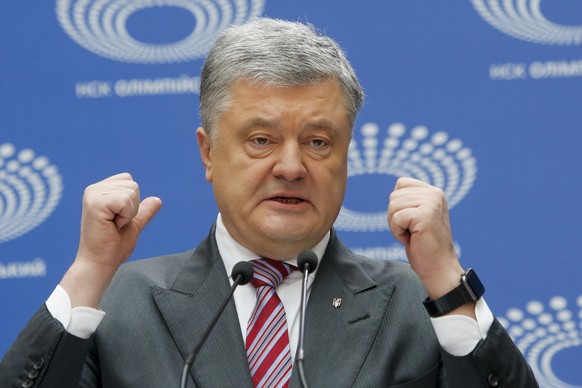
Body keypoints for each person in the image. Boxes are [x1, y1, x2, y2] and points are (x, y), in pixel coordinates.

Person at [0, 18, 537, 387]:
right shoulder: (120, 303)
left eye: (318, 141)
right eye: (260, 140)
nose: (291, 166)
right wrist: (89, 272)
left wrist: (447, 283)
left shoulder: (417, 303)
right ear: (209, 153)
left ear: (347, 152)